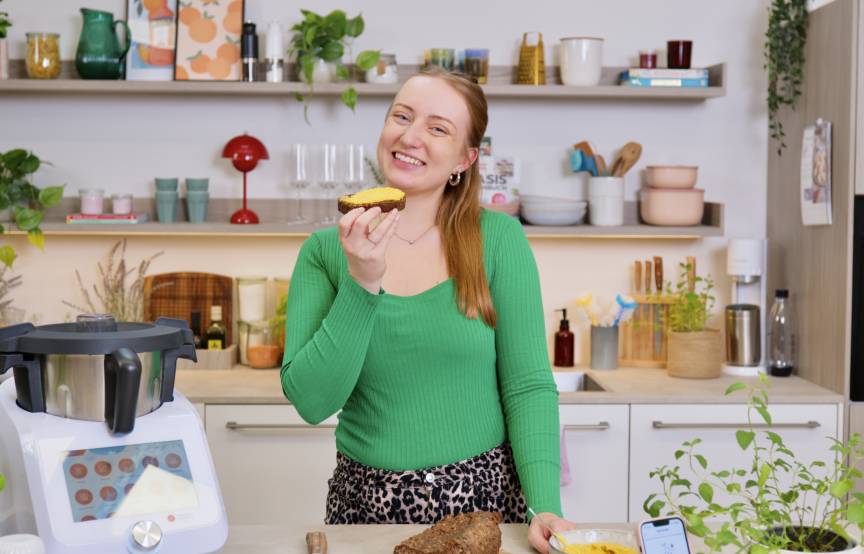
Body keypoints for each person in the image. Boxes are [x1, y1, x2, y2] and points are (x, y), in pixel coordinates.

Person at [280, 67, 575, 552]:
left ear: (465, 157)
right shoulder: (325, 251)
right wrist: (363, 283)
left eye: (437, 128)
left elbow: (527, 387)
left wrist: (545, 503)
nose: (410, 136)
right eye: (402, 116)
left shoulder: (498, 241)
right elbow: (312, 402)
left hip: (481, 505)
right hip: (363, 507)